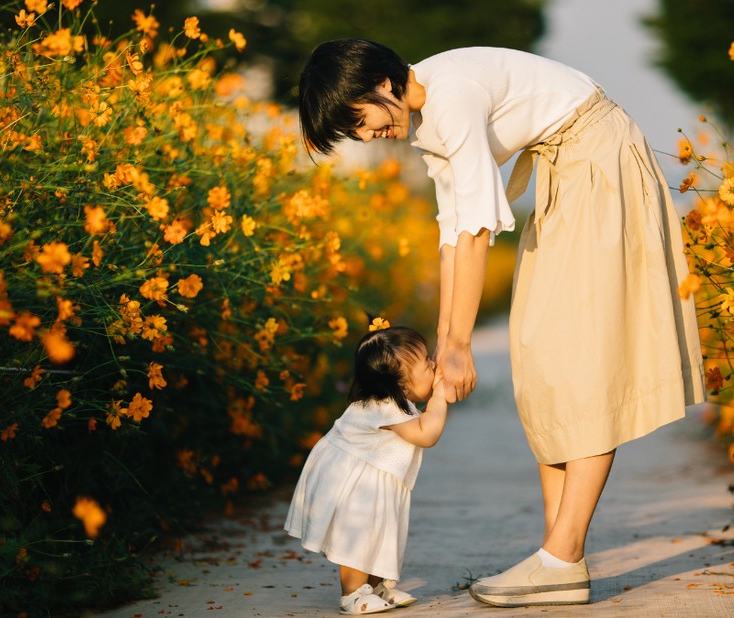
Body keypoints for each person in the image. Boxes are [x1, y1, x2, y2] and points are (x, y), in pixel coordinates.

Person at [297, 40, 705, 607]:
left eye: (358, 122)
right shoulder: (428, 123)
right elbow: (451, 232)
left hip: (597, 157)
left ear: (382, 87)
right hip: (567, 167)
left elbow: (476, 231)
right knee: (538, 351)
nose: (366, 137)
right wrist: (445, 342)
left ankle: (562, 558)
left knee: (581, 358)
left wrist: (461, 343)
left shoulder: (451, 96)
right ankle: (556, 557)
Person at [284, 326, 449, 615]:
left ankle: (375, 587)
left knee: (381, 534)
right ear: (401, 383)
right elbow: (427, 434)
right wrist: (441, 396)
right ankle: (351, 594)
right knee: (359, 536)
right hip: (354, 480)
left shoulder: (392, 401)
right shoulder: (383, 407)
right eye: (426, 363)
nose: (433, 366)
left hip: (374, 476)